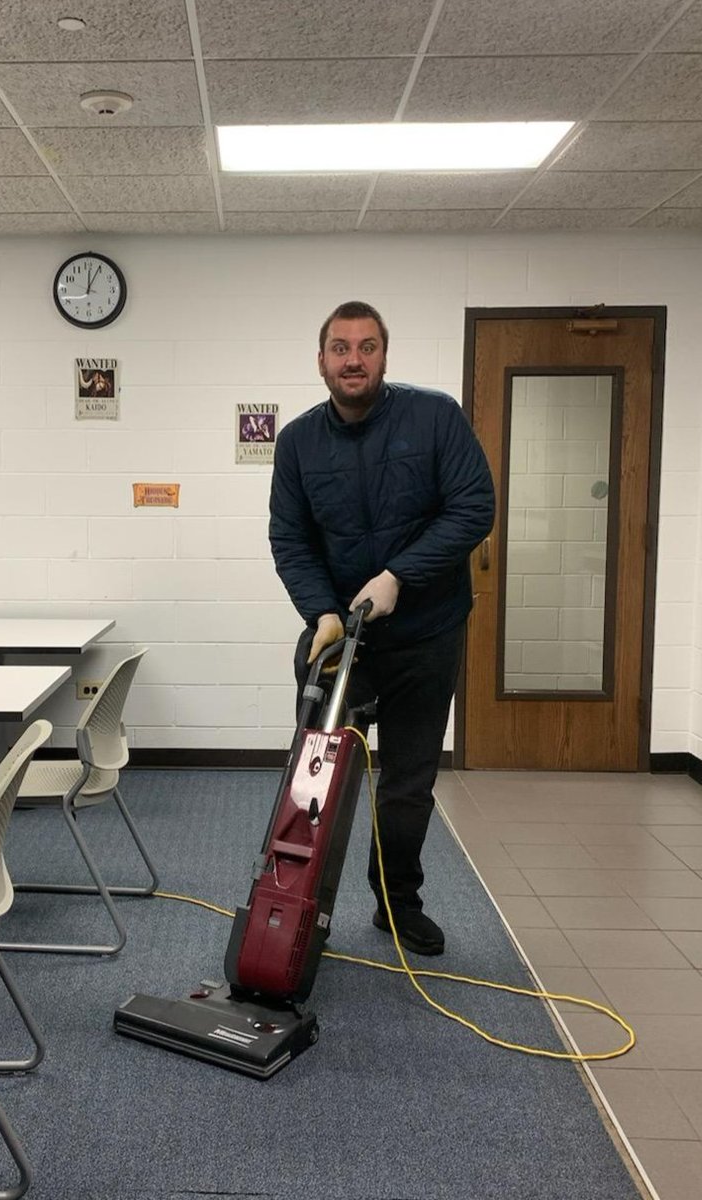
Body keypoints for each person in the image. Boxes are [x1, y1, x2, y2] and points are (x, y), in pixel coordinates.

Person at [269, 300, 495, 957]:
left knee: (406, 783)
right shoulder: (299, 442)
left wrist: (400, 575)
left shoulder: (434, 418)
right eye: (340, 347)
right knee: (319, 779)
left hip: (427, 633)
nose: (353, 359)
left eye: (367, 347)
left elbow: (473, 505)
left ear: (384, 356)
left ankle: (398, 906)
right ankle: (300, 904)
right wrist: (324, 613)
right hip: (344, 641)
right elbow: (290, 537)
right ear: (321, 361)